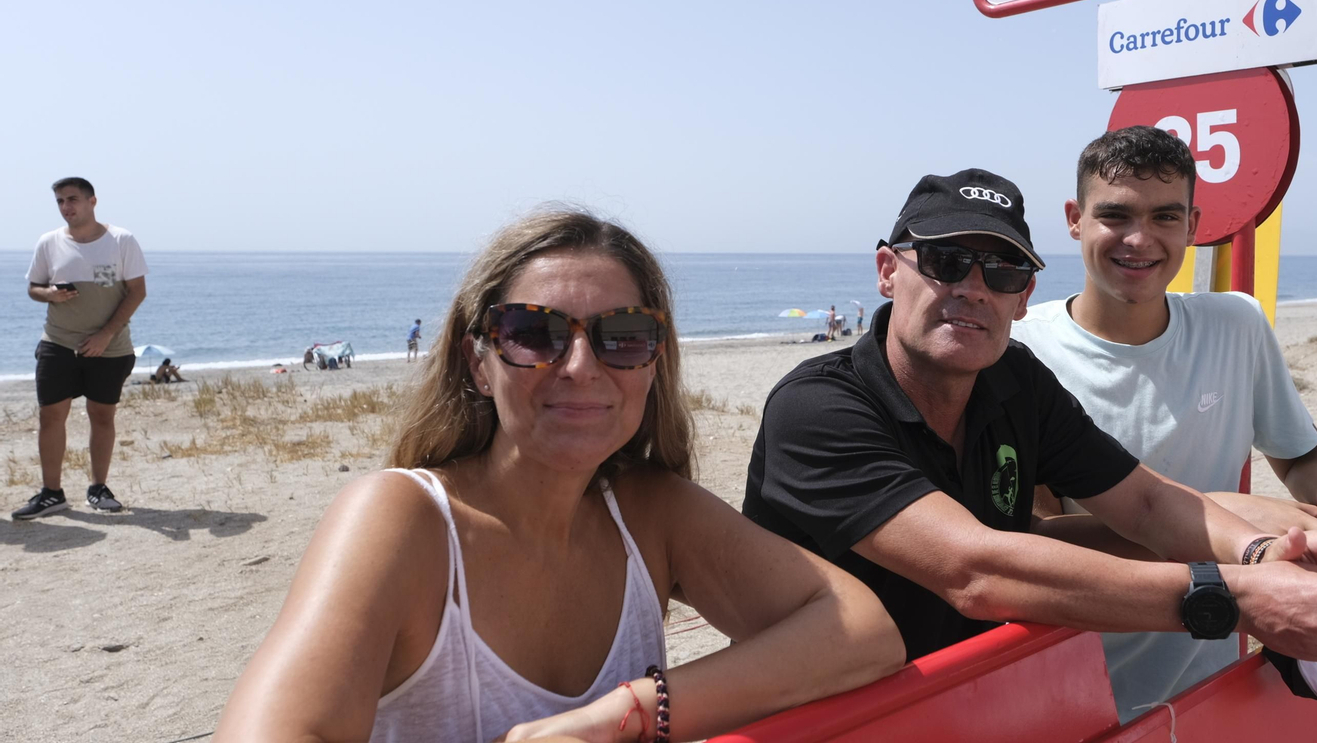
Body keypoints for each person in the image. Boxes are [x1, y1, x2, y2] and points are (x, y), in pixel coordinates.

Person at [216, 210, 903, 743]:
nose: (579, 365)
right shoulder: (404, 519)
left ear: (653, 362)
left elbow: (864, 632)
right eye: (533, 332)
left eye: (624, 333)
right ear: (477, 362)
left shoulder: (650, 513)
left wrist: (627, 713)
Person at [742, 168, 1317, 670]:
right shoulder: (817, 409)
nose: (974, 286)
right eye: (946, 261)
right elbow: (975, 570)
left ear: (1024, 297)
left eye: (1002, 271)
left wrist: (1261, 554)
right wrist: (1237, 595)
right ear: (889, 270)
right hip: (837, 709)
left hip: (981, 691)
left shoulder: (1014, 380)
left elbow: (1142, 499)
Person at [1012, 126, 1317, 721]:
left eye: (1165, 217)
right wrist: (1243, 526)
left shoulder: (1236, 324)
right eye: (1115, 215)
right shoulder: (1019, 353)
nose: (1139, 239)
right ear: (1075, 219)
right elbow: (1035, 534)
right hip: (1079, 681)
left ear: (1194, 226)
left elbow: (1302, 455)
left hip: (1214, 668)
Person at [13, 177, 147, 520]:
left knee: (101, 416)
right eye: (60, 201)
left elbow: (136, 292)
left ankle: (98, 488)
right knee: (50, 417)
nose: (66, 207)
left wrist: (105, 334)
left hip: (110, 347)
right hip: (58, 343)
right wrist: (49, 294)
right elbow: (34, 288)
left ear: (92, 201)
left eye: (72, 199)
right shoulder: (49, 242)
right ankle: (51, 494)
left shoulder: (121, 240)